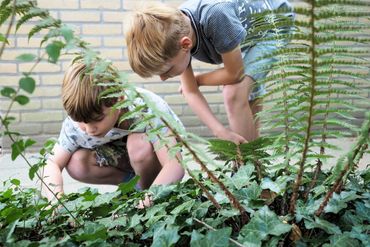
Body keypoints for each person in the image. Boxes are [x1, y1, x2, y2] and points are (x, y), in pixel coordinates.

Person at [125, 0, 294, 144]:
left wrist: (198, 79)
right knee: (246, 94)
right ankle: (255, 160)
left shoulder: (215, 17)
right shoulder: (176, 33)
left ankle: (249, 163)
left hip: (275, 25)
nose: (163, 78)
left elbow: (235, 74)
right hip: (249, 33)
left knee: (234, 91)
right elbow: (190, 91)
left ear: (185, 45)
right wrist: (221, 132)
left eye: (167, 70)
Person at [42, 61, 185, 207]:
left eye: (97, 119)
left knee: (138, 144)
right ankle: (133, 187)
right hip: (125, 159)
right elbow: (52, 162)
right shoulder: (76, 124)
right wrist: (56, 201)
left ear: (119, 100)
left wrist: (146, 203)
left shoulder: (146, 108)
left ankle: (149, 192)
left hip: (155, 156)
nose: (90, 129)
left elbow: (174, 165)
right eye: (81, 121)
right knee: (76, 163)